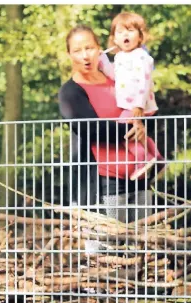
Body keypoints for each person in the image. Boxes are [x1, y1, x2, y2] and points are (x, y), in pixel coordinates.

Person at [58, 25, 155, 228]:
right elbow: (89, 128)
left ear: (99, 49)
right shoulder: (70, 92)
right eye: (77, 50)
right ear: (69, 55)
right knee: (106, 249)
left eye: (90, 48)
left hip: (139, 179)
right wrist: (128, 130)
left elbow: (138, 110)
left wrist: (140, 126)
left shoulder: (117, 81)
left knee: (144, 247)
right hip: (104, 184)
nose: (86, 56)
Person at [98, 12, 163, 181]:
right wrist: (103, 62)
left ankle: (143, 160)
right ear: (114, 39)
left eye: (130, 30)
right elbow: (114, 75)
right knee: (137, 132)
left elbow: (144, 81)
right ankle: (158, 158)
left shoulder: (141, 57)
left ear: (140, 36)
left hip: (137, 105)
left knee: (124, 132)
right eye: (120, 32)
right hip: (129, 105)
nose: (125, 35)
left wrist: (138, 105)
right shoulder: (120, 57)